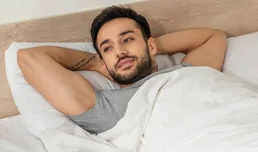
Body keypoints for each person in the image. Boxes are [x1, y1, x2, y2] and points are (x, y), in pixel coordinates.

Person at [18, 6, 228, 134]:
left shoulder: (185, 72)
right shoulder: (108, 109)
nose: (119, 52)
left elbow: (214, 37)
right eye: (108, 48)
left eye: (127, 39)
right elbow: (29, 58)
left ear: (151, 46)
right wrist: (96, 64)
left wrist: (149, 48)